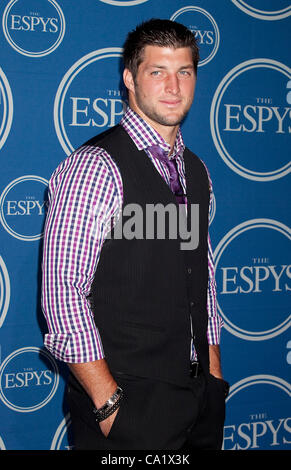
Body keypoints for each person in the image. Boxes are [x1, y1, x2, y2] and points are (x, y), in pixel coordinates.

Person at [41, 18, 229, 451]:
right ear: (130, 78)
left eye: (184, 72)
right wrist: (109, 405)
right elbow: (62, 291)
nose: (173, 86)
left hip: (200, 402)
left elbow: (201, 275)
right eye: (157, 71)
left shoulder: (196, 170)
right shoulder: (95, 166)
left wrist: (214, 375)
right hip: (130, 407)